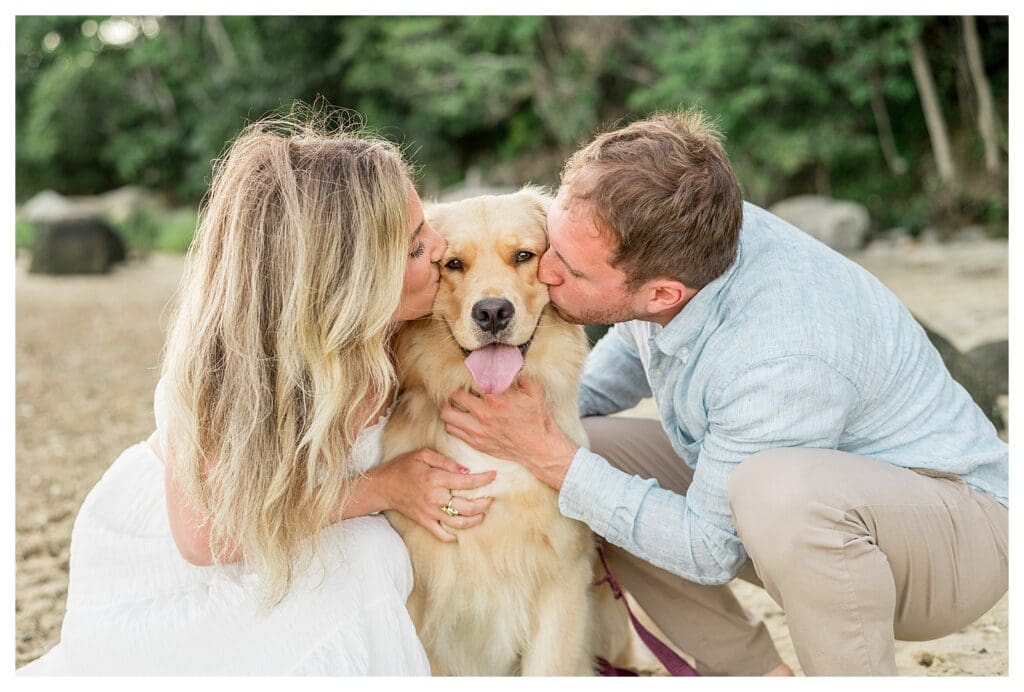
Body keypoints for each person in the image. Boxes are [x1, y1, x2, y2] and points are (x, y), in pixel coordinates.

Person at [439, 109, 1008, 676]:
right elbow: (601, 384)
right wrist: (508, 428)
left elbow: (712, 549)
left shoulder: (780, 351)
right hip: (814, 498)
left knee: (771, 488)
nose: (545, 275)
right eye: (548, 248)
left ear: (663, 292)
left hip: (952, 538)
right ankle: (756, 674)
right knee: (595, 453)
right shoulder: (676, 232)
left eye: (568, 269)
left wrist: (547, 455)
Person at [19, 108, 496, 675]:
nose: (442, 246)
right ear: (350, 281)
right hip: (174, 578)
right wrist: (384, 487)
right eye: (416, 246)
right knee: (371, 554)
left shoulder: (405, 332)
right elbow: (205, 538)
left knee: (376, 555)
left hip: (287, 551)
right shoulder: (234, 367)